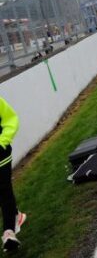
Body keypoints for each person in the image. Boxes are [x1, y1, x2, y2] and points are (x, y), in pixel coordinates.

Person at [0, 97, 26, 252]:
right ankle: (16, 215)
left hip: (1, 158)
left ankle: (9, 233)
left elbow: (11, 119)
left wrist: (2, 142)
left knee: (4, 192)